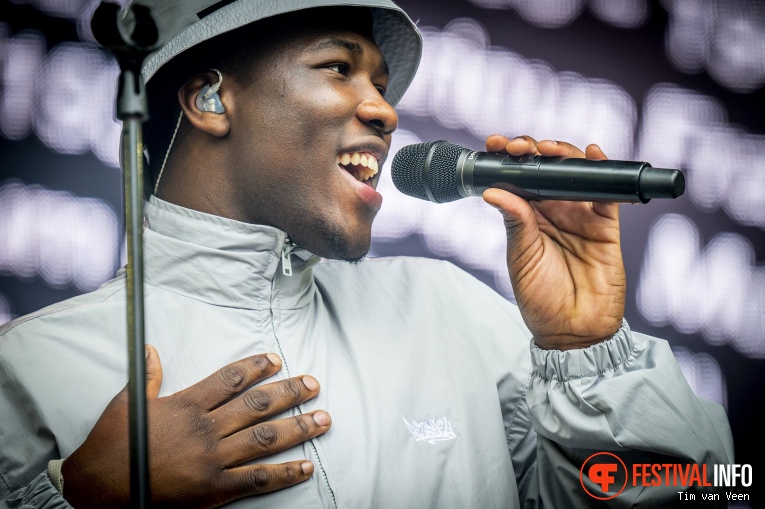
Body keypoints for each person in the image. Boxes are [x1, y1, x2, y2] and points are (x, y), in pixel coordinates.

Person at [0, 1, 733, 507]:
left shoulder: (450, 310)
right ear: (211, 100)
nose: (385, 111)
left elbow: (704, 491)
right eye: (336, 68)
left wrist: (590, 351)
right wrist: (80, 501)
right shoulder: (28, 368)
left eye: (381, 85)